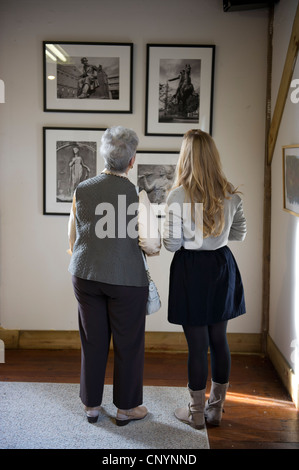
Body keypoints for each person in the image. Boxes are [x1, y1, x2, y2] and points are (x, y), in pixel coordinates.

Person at [68, 126, 161, 425]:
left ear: (103, 157)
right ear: (132, 160)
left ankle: (91, 406)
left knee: (93, 341)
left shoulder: (82, 189)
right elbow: (152, 244)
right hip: (127, 280)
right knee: (128, 343)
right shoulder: (137, 196)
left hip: (85, 275)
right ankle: (126, 409)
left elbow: (72, 240)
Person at [163, 129, 247, 429]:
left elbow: (171, 245)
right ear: (213, 156)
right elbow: (239, 233)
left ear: (185, 157)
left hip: (191, 269)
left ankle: (196, 413)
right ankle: (216, 410)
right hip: (221, 267)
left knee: (197, 345)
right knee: (219, 339)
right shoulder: (231, 193)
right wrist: (216, 237)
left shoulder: (177, 195)